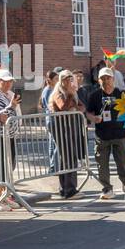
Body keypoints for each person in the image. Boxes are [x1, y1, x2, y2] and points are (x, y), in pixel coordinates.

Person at [85, 67, 125, 199]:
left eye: (108, 78)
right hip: (102, 135)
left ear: (113, 79)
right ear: (99, 80)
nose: (106, 81)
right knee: (102, 163)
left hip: (120, 133)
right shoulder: (94, 95)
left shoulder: (120, 94)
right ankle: (107, 189)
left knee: (122, 160)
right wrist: (93, 119)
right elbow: (88, 113)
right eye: (103, 78)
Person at [49, 70, 87, 199]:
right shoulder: (58, 92)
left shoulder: (73, 91)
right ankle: (68, 190)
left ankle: (67, 189)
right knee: (66, 156)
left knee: (70, 156)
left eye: (70, 78)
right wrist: (70, 97)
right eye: (65, 78)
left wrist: (74, 104)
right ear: (60, 80)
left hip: (71, 125)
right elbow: (63, 107)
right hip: (61, 126)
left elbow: (82, 107)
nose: (67, 81)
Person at [0, 70, 21, 211]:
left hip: (9, 135)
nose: (8, 84)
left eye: (10, 81)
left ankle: (5, 196)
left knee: (8, 166)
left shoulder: (8, 95)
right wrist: (11, 106)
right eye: (4, 81)